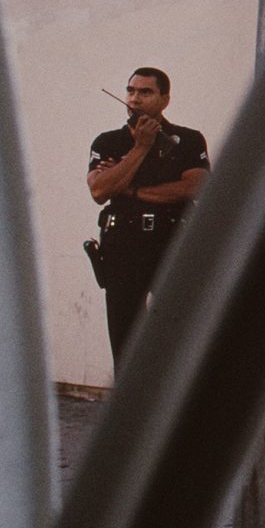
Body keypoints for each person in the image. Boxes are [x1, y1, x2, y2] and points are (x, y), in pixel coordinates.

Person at [86, 67, 209, 374]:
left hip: (171, 241)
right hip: (123, 245)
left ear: (164, 99)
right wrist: (140, 148)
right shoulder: (109, 142)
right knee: (125, 337)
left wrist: (131, 189)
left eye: (145, 92)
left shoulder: (187, 140)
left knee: (178, 333)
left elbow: (195, 187)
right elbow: (99, 190)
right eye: (131, 91)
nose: (135, 99)